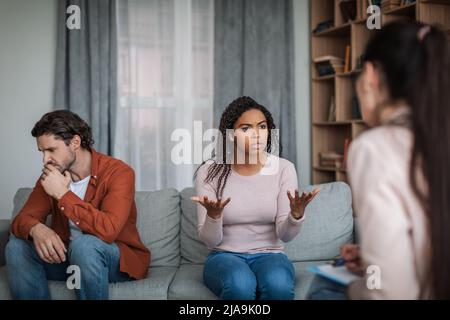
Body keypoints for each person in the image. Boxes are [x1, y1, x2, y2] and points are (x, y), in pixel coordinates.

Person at [307, 20, 450, 299]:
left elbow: (390, 291)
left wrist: (363, 282)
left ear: (371, 75)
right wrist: (374, 260)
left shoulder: (376, 149)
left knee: (324, 287)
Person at [5, 110, 150, 300]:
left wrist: (63, 195)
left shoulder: (119, 172)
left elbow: (108, 230)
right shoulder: (51, 175)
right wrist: (37, 229)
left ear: (75, 142)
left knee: (85, 246)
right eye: (42, 152)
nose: (45, 159)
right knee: (16, 247)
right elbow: (21, 220)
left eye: (51, 150)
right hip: (68, 260)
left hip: (114, 261)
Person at [191, 96, 320, 300]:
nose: (257, 135)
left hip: (270, 254)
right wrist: (214, 217)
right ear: (231, 135)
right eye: (245, 128)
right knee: (239, 285)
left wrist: (295, 216)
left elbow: (284, 236)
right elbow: (210, 240)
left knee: (278, 286)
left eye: (261, 126)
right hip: (223, 256)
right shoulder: (210, 172)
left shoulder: (284, 169)